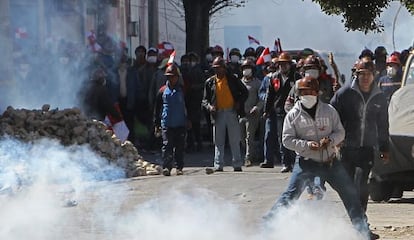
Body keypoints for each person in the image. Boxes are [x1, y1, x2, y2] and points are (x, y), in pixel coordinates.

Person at [263, 76, 371, 239]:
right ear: (298, 94)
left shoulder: (329, 111)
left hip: (330, 163)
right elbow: (286, 140)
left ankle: (363, 230)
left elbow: (340, 132)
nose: (307, 94)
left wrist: (330, 140)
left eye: (310, 91)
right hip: (306, 163)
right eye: (303, 92)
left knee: (350, 194)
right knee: (290, 195)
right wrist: (307, 145)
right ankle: (267, 226)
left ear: (317, 92)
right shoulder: (293, 115)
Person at [330, 60, 389, 240]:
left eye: (368, 74)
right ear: (356, 74)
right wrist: (334, 140)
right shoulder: (344, 94)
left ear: (374, 75)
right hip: (346, 149)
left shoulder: (379, 97)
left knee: (362, 187)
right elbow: (331, 116)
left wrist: (384, 147)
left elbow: (383, 124)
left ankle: (362, 227)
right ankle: (356, 224)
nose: (365, 78)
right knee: (348, 190)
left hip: (366, 150)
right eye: (361, 74)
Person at [203, 57, 248, 172]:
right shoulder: (210, 82)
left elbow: (244, 92)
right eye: (216, 68)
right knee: (218, 140)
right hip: (218, 113)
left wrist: (238, 103)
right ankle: (218, 164)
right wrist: (210, 107)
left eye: (220, 68)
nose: (218, 71)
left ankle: (237, 163)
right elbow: (204, 100)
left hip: (231, 111)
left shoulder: (232, 79)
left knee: (234, 139)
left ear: (224, 68)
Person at [262, 52, 301, 172]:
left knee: (295, 137)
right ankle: (285, 163)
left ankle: (295, 163)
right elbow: (270, 95)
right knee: (282, 138)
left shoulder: (297, 77)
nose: (283, 66)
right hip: (278, 112)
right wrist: (266, 110)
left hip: (294, 112)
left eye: (285, 64)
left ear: (290, 65)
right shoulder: (274, 77)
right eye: (280, 64)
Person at [154, 64, 188, 176]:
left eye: (174, 76)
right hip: (167, 123)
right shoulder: (162, 91)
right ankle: (167, 167)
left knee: (179, 146)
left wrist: (189, 120)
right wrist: (157, 124)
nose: (172, 79)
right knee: (167, 145)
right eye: (169, 76)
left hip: (180, 123)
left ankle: (179, 167)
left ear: (177, 77)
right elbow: (157, 108)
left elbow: (188, 106)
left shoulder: (183, 90)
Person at [239, 59, 263, 166]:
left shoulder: (258, 83)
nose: (246, 70)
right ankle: (253, 153)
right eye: (244, 68)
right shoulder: (239, 83)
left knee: (250, 137)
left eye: (248, 68)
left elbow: (262, 99)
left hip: (252, 115)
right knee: (241, 138)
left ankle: (248, 157)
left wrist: (257, 107)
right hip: (241, 114)